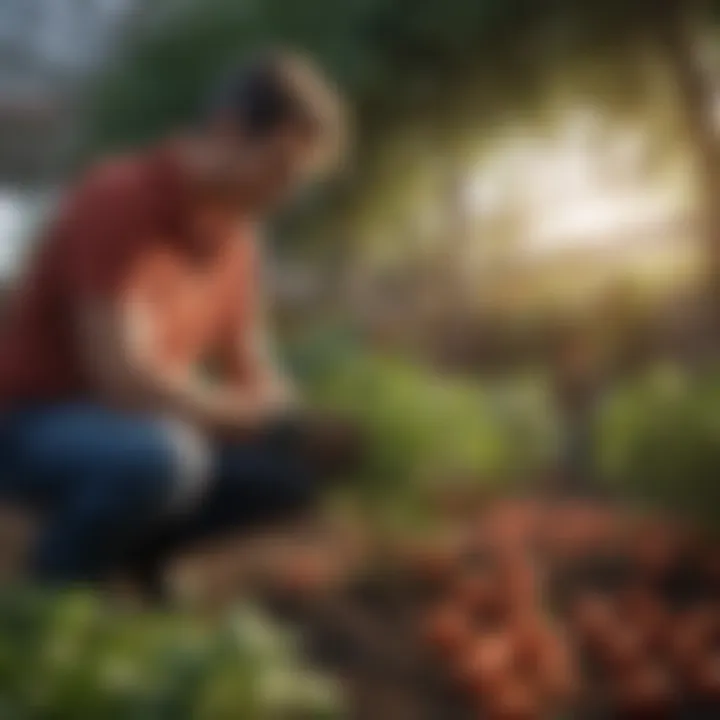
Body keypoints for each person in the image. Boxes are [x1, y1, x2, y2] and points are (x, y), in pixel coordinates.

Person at [0, 50, 350, 590]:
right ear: (229, 130)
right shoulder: (118, 197)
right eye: (280, 166)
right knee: (159, 459)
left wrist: (290, 422)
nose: (286, 189)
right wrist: (248, 417)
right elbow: (122, 380)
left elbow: (249, 361)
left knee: (285, 478)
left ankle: (138, 560)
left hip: (132, 427)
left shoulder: (236, 239)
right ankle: (47, 600)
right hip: (32, 424)